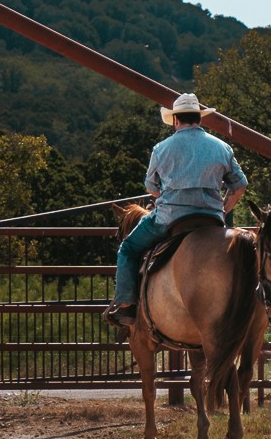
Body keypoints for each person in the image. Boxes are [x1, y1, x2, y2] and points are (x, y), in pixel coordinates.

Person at [103, 93, 248, 325]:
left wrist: (168, 194)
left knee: (128, 248)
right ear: (199, 119)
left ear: (175, 120)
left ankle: (127, 306)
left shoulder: (161, 148)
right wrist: (222, 209)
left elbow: (151, 187)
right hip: (211, 218)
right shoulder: (222, 147)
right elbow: (240, 186)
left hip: (170, 219)